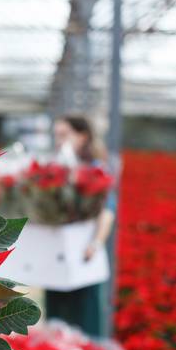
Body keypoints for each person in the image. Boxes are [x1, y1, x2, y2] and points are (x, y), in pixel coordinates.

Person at [44, 115, 117, 337]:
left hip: (84, 255)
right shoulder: (54, 170)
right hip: (56, 257)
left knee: (86, 322)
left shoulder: (96, 170)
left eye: (65, 135)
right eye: (57, 135)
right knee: (57, 326)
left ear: (83, 137)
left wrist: (95, 244)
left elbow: (107, 211)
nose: (59, 141)